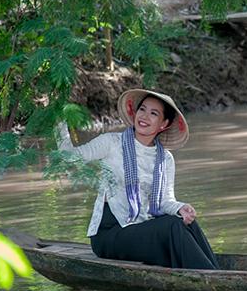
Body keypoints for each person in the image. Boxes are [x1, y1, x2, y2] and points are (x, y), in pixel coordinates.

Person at [57, 88, 219, 270]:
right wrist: (57, 120)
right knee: (173, 225)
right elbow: (69, 157)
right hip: (110, 234)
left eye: (153, 113)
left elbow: (166, 201)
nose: (145, 116)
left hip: (142, 229)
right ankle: (210, 277)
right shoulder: (112, 143)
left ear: (163, 124)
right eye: (142, 109)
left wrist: (180, 207)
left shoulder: (165, 159)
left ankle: (215, 272)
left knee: (185, 223)